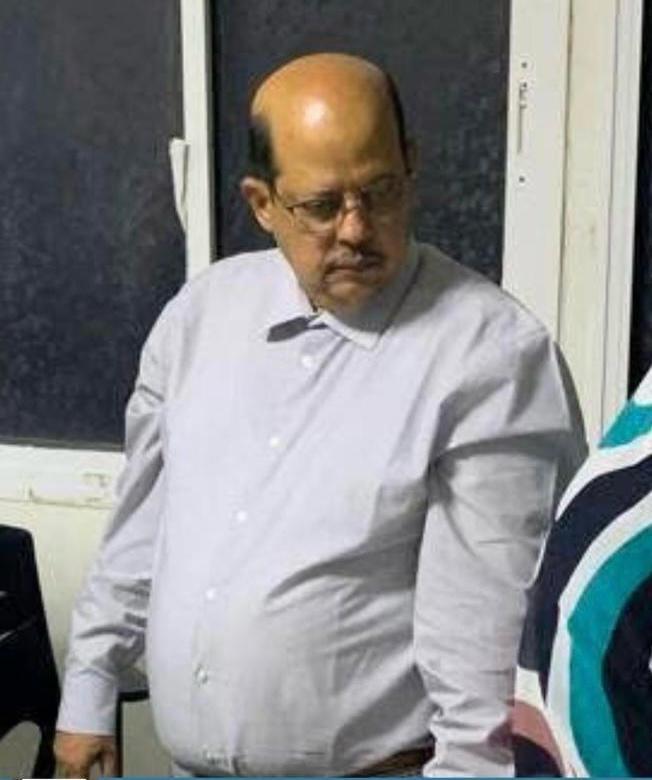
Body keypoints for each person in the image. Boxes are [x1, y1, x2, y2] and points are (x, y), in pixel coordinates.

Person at [54, 53, 586, 777]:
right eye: (322, 205)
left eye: (381, 191)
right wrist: (89, 688)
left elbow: (487, 659)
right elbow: (143, 520)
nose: (356, 229)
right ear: (262, 203)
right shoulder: (202, 315)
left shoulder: (491, 358)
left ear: (411, 166)